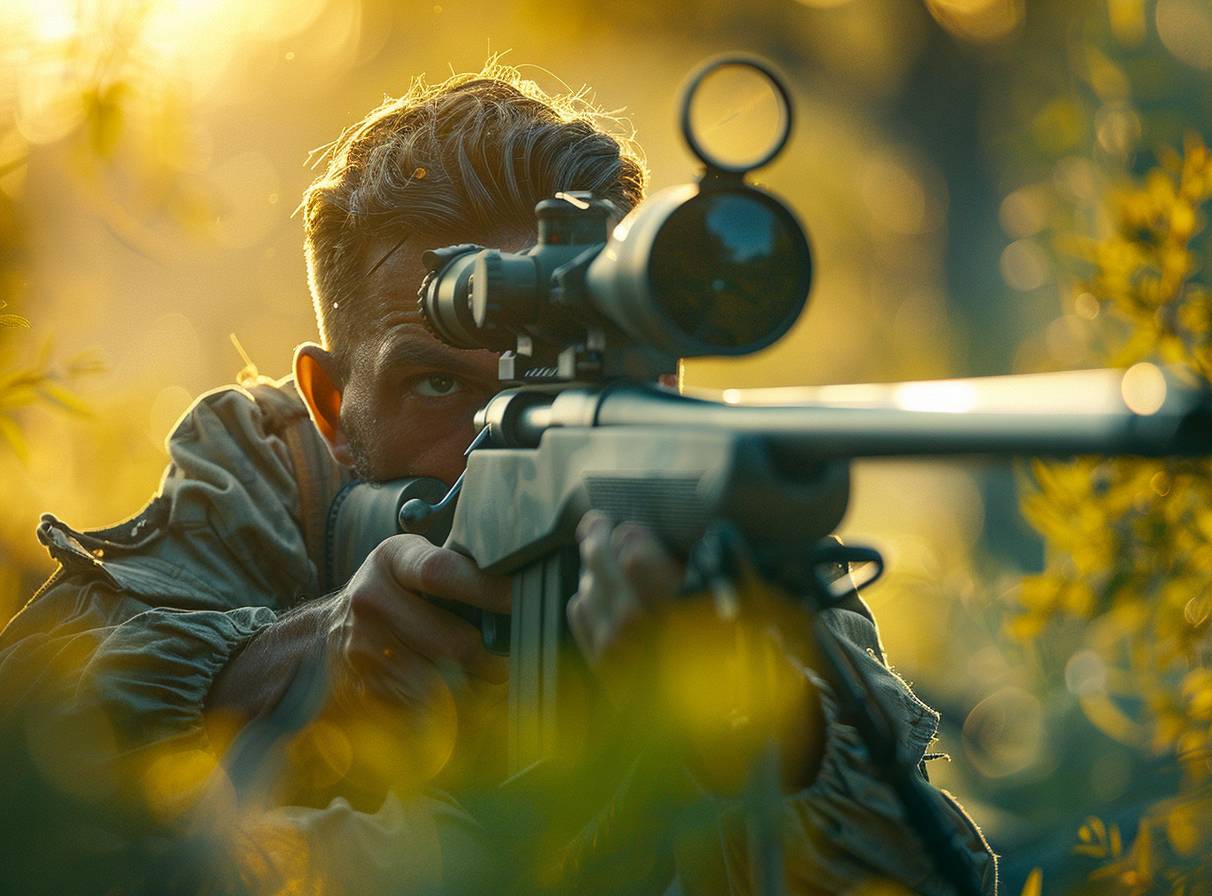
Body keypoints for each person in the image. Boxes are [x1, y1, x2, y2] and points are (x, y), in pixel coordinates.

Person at [0, 64, 996, 895]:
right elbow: (29, 740)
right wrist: (304, 655)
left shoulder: (710, 512)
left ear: (665, 368)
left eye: (596, 366)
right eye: (441, 381)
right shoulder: (265, 476)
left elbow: (928, 873)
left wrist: (758, 717)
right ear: (333, 404)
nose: (491, 438)